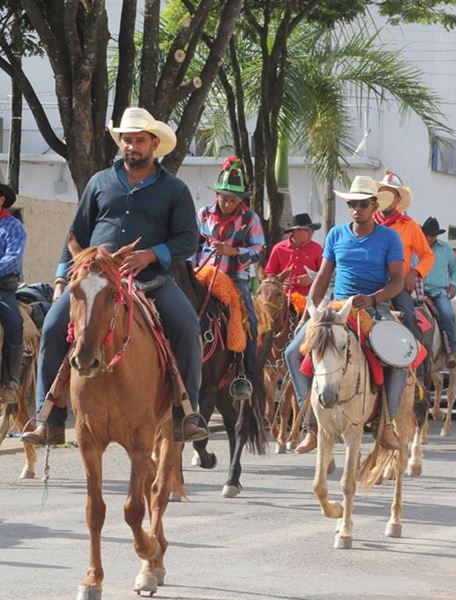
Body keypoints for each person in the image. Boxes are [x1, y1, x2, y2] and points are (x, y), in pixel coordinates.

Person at [22, 107, 207, 445]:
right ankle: (48, 418)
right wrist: (63, 277)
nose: (132, 146)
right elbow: (76, 233)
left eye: (139, 140)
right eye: (127, 140)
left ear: (154, 144)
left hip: (149, 279)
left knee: (186, 326)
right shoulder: (99, 182)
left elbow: (187, 240)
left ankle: (185, 414)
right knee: (51, 328)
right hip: (93, 280)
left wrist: (151, 254)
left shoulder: (174, 189)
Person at [284, 176, 406, 453]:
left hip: (374, 307)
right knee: (292, 352)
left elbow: (398, 281)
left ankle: (386, 424)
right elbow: (323, 278)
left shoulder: (389, 237)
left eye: (363, 204)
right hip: (337, 309)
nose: (357, 209)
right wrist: (307, 315)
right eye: (352, 203)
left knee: (399, 358)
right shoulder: (336, 234)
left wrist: (373, 298)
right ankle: (310, 426)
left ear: (374, 205)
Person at [195, 157, 266, 399]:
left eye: (232, 200)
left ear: (241, 200)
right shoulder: (203, 214)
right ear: (217, 195)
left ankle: (245, 373)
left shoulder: (251, 220)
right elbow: (193, 244)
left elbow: (259, 250)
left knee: (250, 321)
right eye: (223, 198)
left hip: (235, 278)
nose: (227, 203)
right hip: (203, 275)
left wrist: (234, 251)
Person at [375, 172, 433, 380]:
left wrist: (414, 273)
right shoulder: (367, 221)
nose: (387, 198)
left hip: (396, 285)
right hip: (368, 284)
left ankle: (416, 371)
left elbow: (427, 255)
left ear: (398, 200)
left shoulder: (410, 226)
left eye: (391, 194)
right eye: (383, 193)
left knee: (409, 317)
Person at [421, 217, 456, 368]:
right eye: (428, 234)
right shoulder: (416, 248)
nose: (430, 238)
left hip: (438, 292)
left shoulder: (445, 249)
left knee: (447, 314)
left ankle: (452, 351)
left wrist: (453, 284)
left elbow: (455, 269)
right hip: (418, 291)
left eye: (434, 235)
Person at [0, 183, 26, 405]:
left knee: (14, 323)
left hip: (1, 286)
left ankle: (10, 380)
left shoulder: (13, 226)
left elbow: (13, 257)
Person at [264, 213, 323, 296]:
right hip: (284, 297)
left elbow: (326, 272)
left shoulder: (317, 248)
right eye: (307, 230)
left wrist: (313, 278)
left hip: (310, 297)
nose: (311, 233)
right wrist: (280, 281)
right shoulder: (279, 248)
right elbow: (269, 273)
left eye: (312, 231)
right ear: (295, 231)